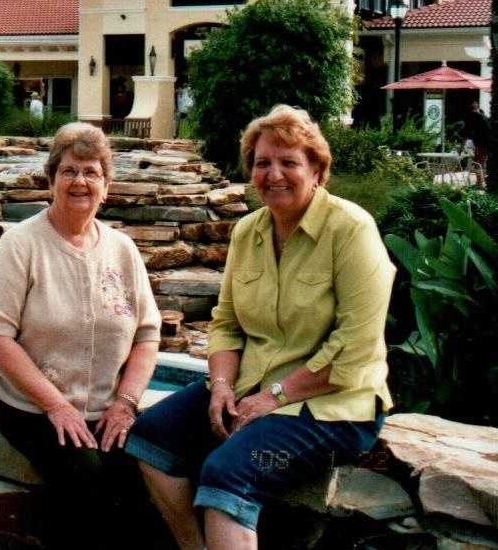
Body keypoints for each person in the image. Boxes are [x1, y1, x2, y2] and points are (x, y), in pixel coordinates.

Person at [126, 105, 393, 550]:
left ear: (316, 171)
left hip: (336, 412)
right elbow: (227, 323)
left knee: (229, 473)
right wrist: (221, 386)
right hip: (254, 389)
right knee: (151, 436)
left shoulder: (351, 229)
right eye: (262, 162)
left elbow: (355, 348)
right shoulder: (247, 231)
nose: (274, 174)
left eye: (289, 162)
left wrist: (274, 397)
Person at [0, 122, 165, 548]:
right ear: (51, 181)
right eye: (69, 171)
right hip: (31, 405)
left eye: (91, 172)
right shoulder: (21, 244)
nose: (80, 181)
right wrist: (56, 406)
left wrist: (125, 403)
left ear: (106, 186)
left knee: (145, 484)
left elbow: (146, 335)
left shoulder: (122, 248)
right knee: (91, 486)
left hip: (107, 406)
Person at [464, 100, 489, 186]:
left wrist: (461, 148)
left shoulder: (475, 117)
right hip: (484, 145)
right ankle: (480, 180)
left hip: (482, 145)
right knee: (480, 163)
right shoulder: (484, 118)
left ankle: (480, 181)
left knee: (478, 163)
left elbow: (465, 134)